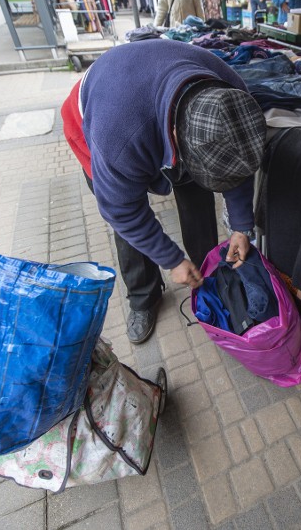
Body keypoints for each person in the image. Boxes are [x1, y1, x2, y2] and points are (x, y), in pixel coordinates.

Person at [60, 40, 266, 344]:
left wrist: (240, 226)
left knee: (197, 194)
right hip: (96, 116)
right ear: (173, 137)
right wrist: (171, 259)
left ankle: (206, 272)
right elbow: (123, 212)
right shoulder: (118, 139)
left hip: (155, 99)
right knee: (129, 226)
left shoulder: (232, 95)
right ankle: (143, 298)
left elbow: (238, 164)